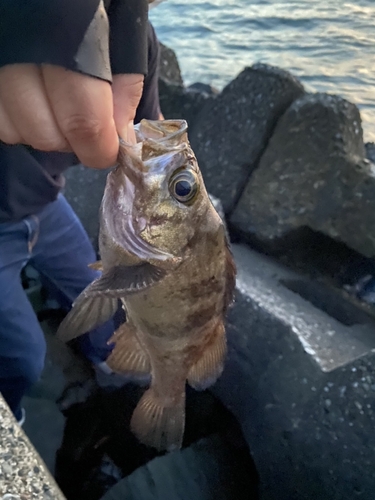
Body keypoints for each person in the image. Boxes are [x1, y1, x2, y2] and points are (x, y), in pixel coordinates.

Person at [0, 0, 162, 424]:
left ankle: (108, 368)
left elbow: (152, 134)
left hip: (46, 205)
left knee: (104, 299)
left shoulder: (136, 38)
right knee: (22, 358)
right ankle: (11, 425)